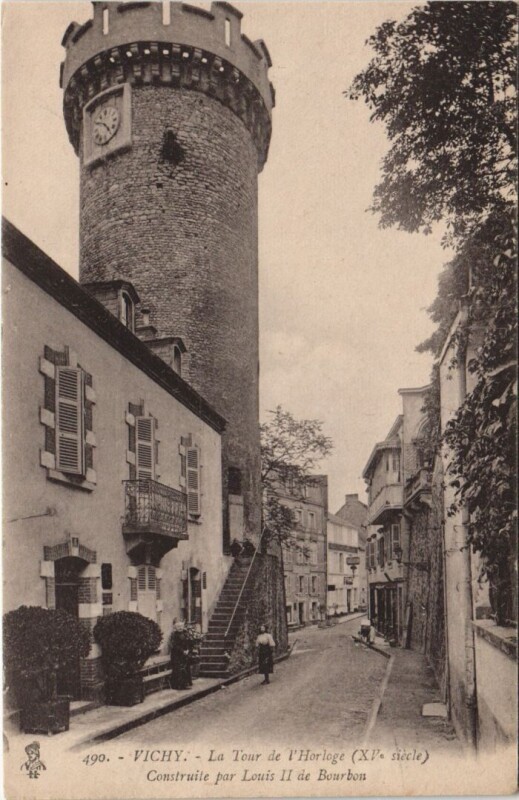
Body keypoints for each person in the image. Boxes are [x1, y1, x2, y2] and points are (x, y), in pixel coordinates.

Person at [169, 621, 193, 689]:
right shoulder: (174, 635)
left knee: (186, 668)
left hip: (184, 655)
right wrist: (182, 651)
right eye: (178, 626)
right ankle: (179, 685)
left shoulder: (185, 634)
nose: (180, 628)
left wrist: (188, 650)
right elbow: (175, 645)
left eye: (181, 626)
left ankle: (186, 684)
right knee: (178, 669)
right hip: (176, 655)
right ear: (175, 628)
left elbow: (188, 643)